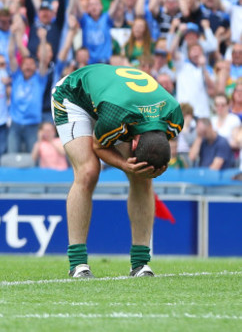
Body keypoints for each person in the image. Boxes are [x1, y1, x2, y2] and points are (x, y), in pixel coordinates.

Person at [51, 63, 183, 278]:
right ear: (134, 140)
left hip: (119, 103)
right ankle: (77, 264)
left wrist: (156, 165)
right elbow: (98, 146)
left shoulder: (173, 115)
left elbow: (159, 144)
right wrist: (124, 164)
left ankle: (140, 263)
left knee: (142, 175)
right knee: (88, 172)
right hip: (75, 96)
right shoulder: (116, 116)